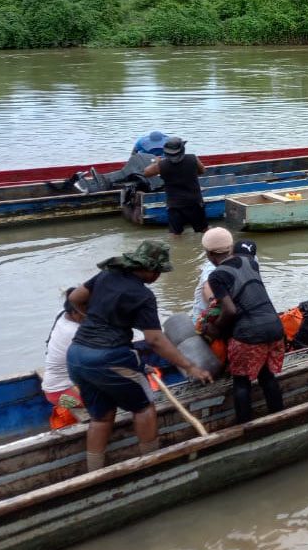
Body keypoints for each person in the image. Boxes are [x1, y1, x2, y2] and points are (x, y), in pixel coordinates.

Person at [66, 241, 213, 472]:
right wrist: (190, 366)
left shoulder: (106, 275)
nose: (157, 276)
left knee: (101, 418)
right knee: (144, 407)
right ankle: (151, 465)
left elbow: (75, 298)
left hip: (76, 356)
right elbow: (155, 340)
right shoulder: (143, 296)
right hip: (109, 359)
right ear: (148, 268)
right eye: (157, 271)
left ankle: (94, 473)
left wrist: (96, 319)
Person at [199, 228, 286, 424]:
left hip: (249, 334)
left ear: (209, 254)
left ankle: (244, 426)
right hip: (274, 327)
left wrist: (215, 329)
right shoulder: (251, 262)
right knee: (266, 376)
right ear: (230, 248)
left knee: (241, 382)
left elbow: (230, 310)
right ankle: (279, 418)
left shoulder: (217, 275)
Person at [142, 137, 207, 236]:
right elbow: (202, 171)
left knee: (175, 234)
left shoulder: (161, 165)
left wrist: (156, 162)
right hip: (195, 202)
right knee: (204, 230)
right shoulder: (193, 158)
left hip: (174, 205)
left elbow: (146, 173)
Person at [43, 288, 86, 428]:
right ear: (74, 312)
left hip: (52, 387)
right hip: (60, 395)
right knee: (105, 402)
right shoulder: (75, 332)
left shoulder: (61, 314)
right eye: (86, 312)